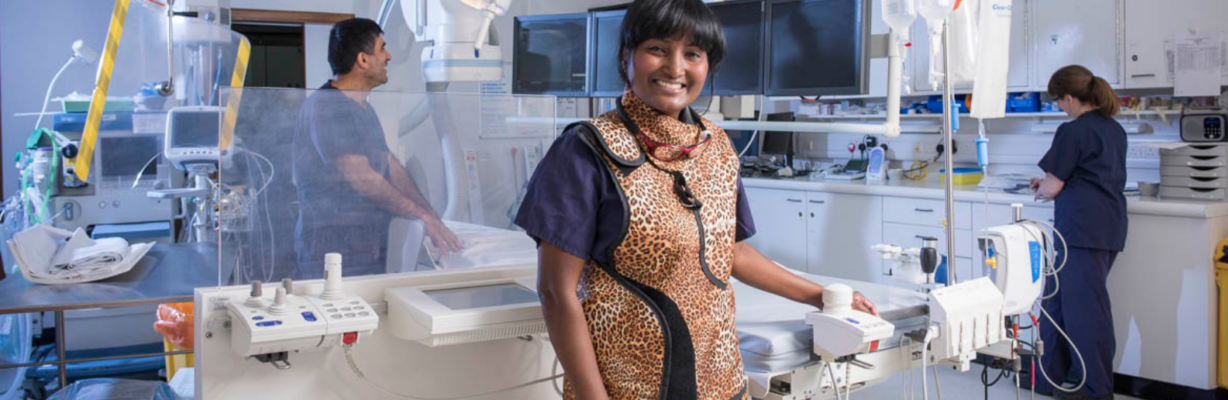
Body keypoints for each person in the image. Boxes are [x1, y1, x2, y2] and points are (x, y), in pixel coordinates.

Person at [514, 1, 877, 399]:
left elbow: (731, 252)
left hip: (721, 381)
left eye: (692, 54)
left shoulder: (716, 145)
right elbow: (555, 290)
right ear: (625, 56)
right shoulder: (585, 150)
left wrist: (821, 295)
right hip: (630, 387)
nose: (675, 68)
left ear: (708, 66)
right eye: (657, 48)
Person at [293, 18, 461, 279]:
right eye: (382, 48)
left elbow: (390, 166)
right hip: (330, 254)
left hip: (365, 249)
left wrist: (431, 217)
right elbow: (363, 178)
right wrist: (422, 218)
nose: (388, 56)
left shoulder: (363, 109)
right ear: (363, 59)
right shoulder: (325, 107)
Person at [1030, 65, 1128, 400]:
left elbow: (1053, 186)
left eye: (1058, 100)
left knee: (1087, 312)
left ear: (1070, 98)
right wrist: (1046, 183)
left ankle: (1096, 389)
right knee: (1054, 304)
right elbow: (1082, 174)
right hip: (1104, 226)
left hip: (1082, 232)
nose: (1059, 106)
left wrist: (1043, 187)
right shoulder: (1113, 128)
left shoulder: (1072, 131)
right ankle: (1048, 378)